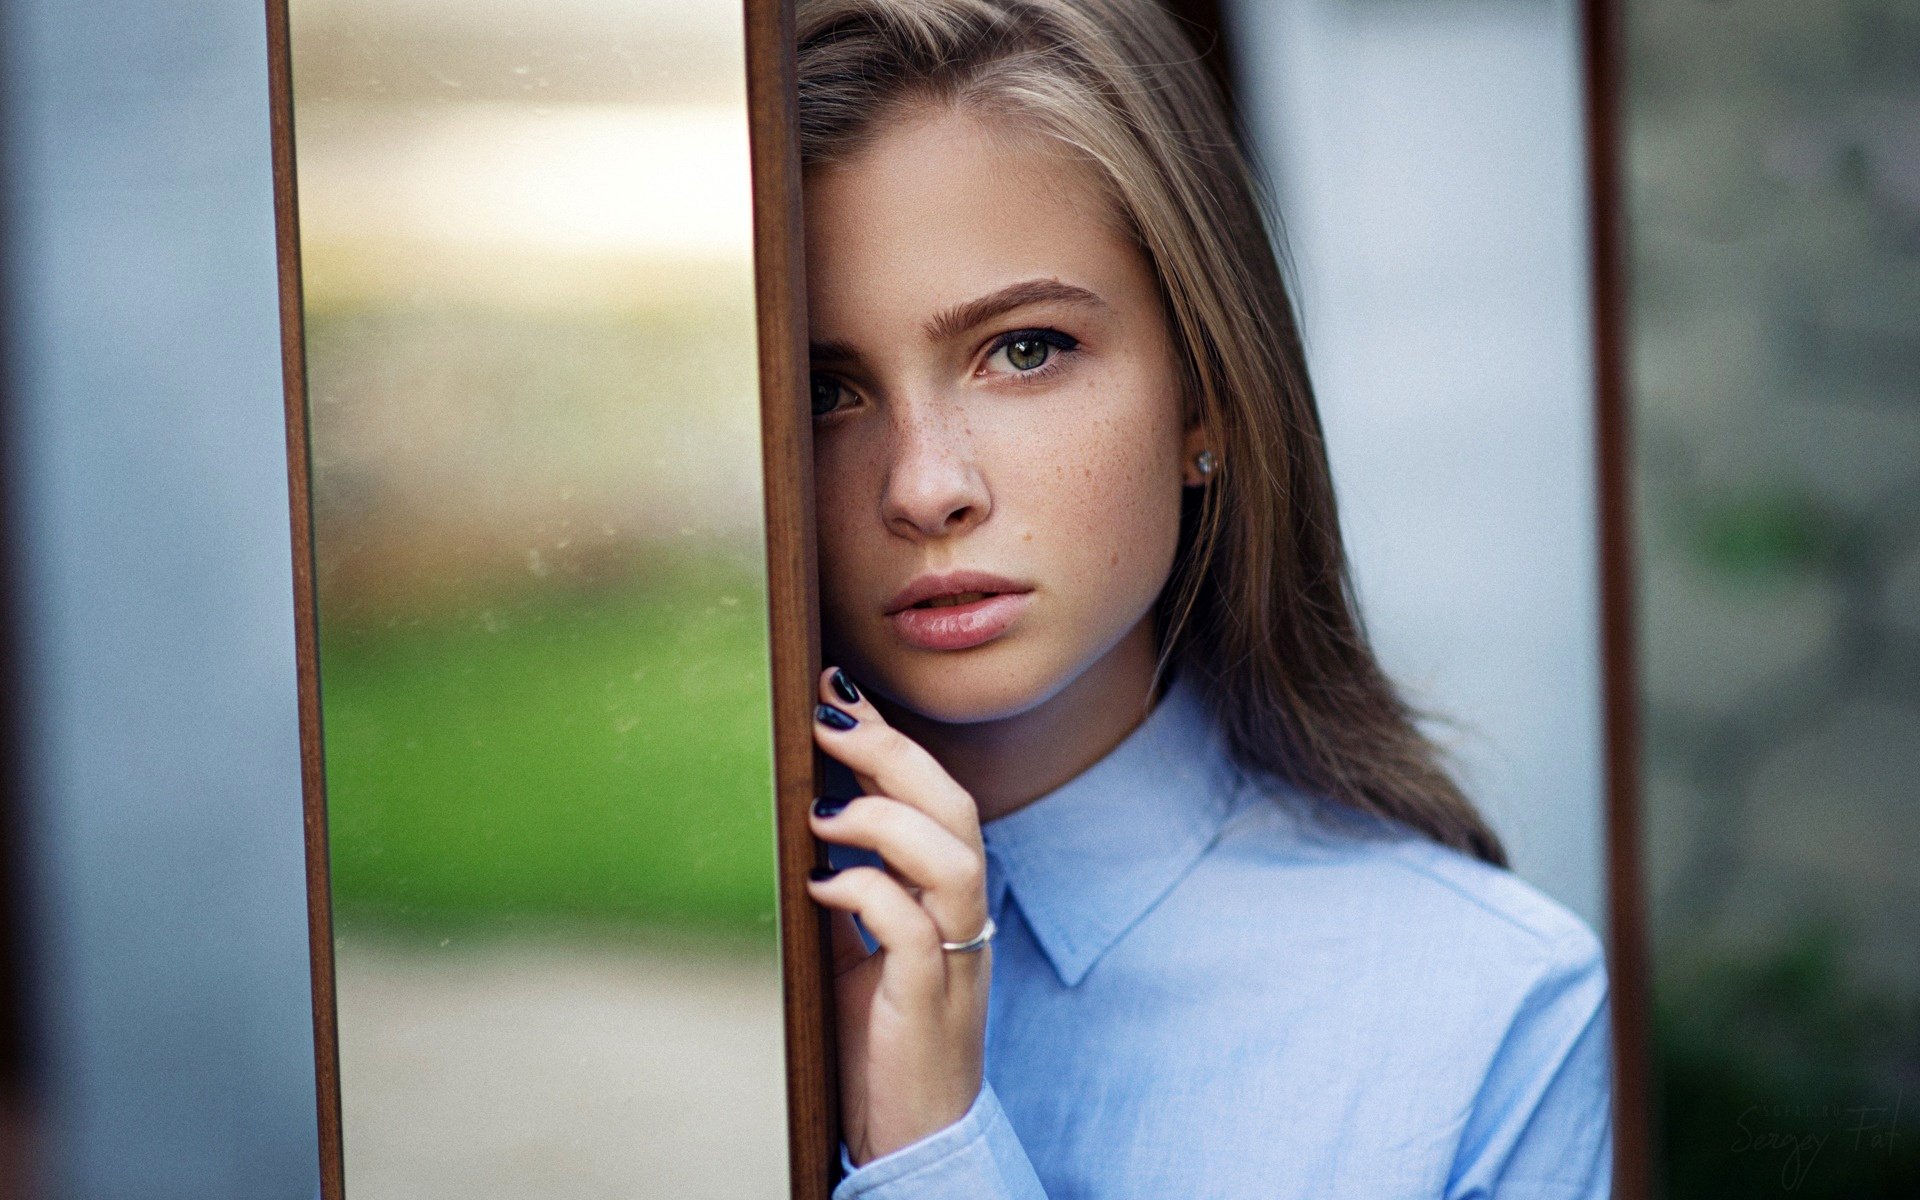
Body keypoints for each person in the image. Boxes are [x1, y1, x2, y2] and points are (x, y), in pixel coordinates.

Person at [794, 1, 1614, 1197]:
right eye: (828, 389)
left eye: (1024, 349)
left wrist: (933, 1154)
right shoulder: (670, 952)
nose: (926, 488)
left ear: (1204, 398)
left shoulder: (1481, 1009)